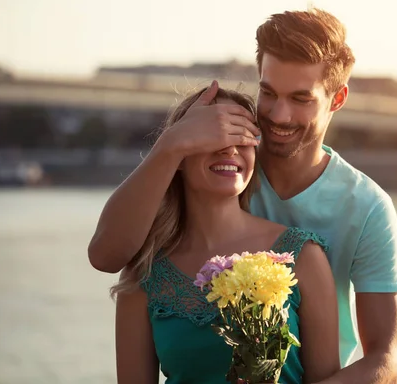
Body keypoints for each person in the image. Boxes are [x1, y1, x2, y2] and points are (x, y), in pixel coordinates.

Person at [89, 7, 397, 383]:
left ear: (336, 100)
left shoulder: (366, 208)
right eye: (268, 93)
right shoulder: (218, 174)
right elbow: (108, 256)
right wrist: (171, 145)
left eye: (301, 99)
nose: (279, 115)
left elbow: (389, 358)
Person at [111, 87, 340, 384]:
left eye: (242, 138)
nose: (229, 149)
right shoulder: (144, 272)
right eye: (212, 137)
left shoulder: (303, 256)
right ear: (177, 154)